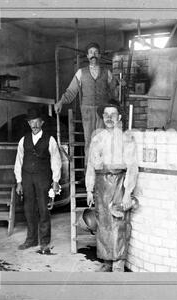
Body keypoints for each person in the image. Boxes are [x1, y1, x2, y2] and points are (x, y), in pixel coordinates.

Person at [85, 100, 138, 272]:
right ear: (102, 117)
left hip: (118, 184)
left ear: (119, 117)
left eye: (113, 114)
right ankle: (107, 261)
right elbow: (91, 166)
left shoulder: (126, 139)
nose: (109, 118)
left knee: (118, 225)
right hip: (101, 186)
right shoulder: (97, 138)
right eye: (106, 115)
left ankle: (118, 265)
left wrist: (128, 193)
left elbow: (132, 167)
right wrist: (89, 189)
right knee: (103, 226)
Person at [54, 42, 121, 165]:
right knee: (89, 142)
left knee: (102, 141)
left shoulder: (107, 73)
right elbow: (71, 92)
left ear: (99, 56)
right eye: (91, 53)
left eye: (96, 53)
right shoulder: (81, 72)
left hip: (103, 112)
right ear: (87, 56)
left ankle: (101, 174)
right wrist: (61, 102)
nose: (93, 55)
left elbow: (115, 91)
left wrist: (120, 84)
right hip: (87, 111)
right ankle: (89, 176)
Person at [14, 108, 62, 251]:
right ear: (28, 124)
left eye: (36, 122)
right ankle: (31, 240)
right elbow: (19, 161)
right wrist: (19, 182)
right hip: (27, 177)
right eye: (31, 122)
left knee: (43, 209)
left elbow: (56, 161)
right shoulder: (23, 140)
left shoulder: (50, 139)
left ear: (41, 123)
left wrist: (55, 181)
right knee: (29, 209)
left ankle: (45, 241)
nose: (34, 125)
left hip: (43, 177)